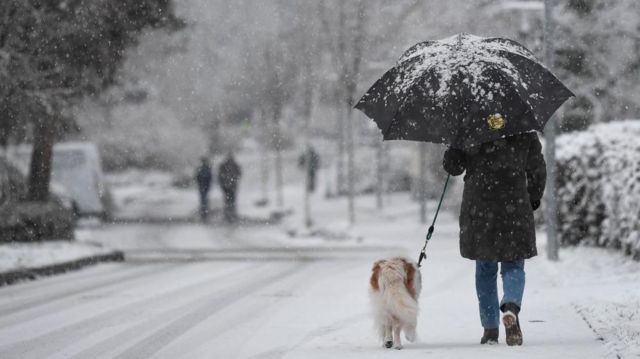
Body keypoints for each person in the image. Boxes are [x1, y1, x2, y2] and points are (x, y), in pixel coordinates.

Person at [442, 131, 546, 346]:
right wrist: (533, 197)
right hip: (514, 203)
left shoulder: (471, 125)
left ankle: (490, 328)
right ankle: (510, 306)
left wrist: (454, 146)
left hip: (480, 206)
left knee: (485, 269)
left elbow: (454, 168)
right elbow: (537, 168)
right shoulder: (522, 127)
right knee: (514, 264)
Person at [218, 153, 242, 223]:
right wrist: (234, 180)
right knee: (232, 200)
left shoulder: (223, 165)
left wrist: (222, 183)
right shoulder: (235, 165)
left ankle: (228, 214)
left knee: (227, 200)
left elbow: (220, 175)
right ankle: (231, 214)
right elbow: (239, 174)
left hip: (226, 186)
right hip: (232, 186)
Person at [194, 157, 213, 221]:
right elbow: (210, 178)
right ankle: (204, 210)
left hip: (202, 185)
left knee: (203, 198)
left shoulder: (201, 169)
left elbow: (197, 177)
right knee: (204, 198)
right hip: (204, 185)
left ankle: (204, 210)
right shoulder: (207, 168)